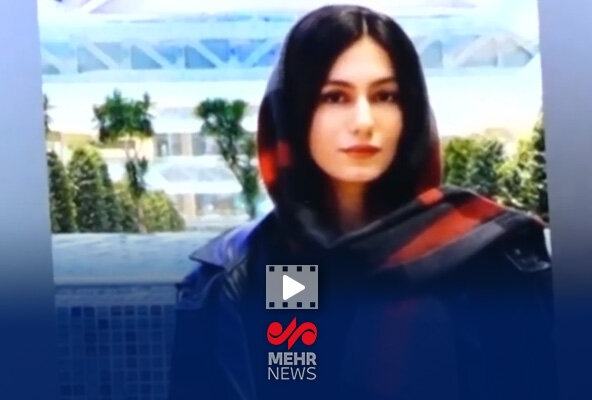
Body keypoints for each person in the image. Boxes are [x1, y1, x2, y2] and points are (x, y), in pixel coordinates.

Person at [168, 5, 556, 400]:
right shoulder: (262, 266)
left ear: (411, 111)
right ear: (294, 113)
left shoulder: (487, 256)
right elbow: (287, 378)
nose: (364, 121)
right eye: (335, 97)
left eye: (385, 96)